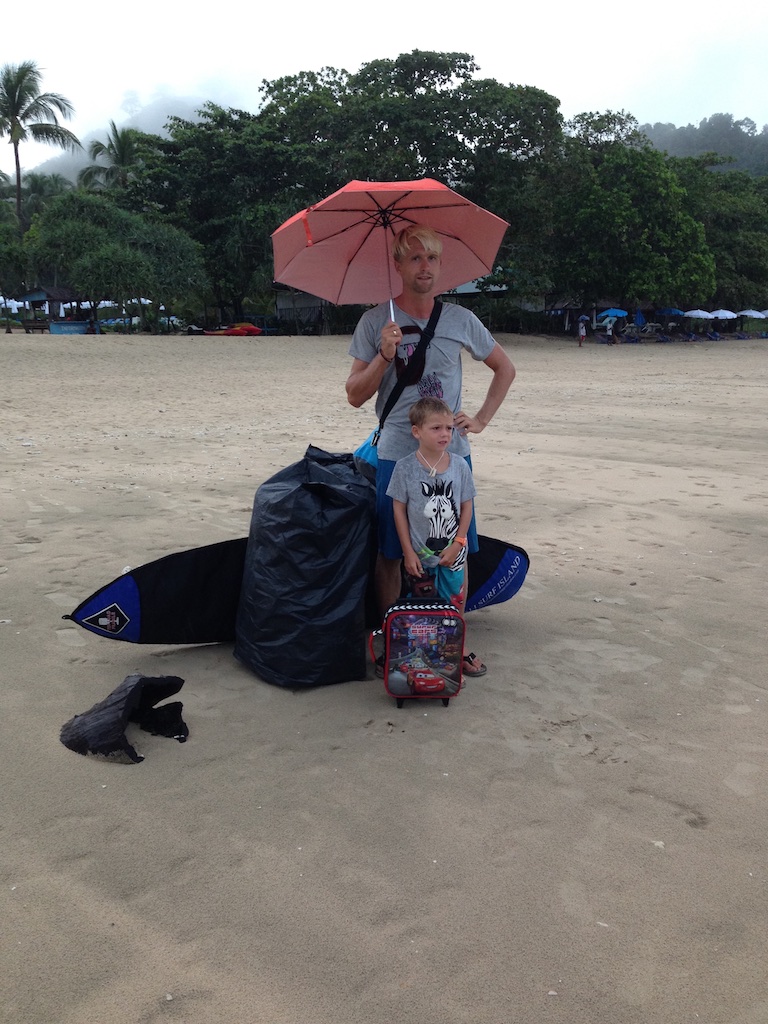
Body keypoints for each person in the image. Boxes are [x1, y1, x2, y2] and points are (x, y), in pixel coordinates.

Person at [346, 224, 516, 675]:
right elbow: (354, 395)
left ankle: (452, 641)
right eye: (416, 258)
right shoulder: (373, 323)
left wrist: (479, 420)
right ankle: (389, 638)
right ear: (397, 264)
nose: (426, 267)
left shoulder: (460, 320)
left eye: (433, 259)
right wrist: (383, 356)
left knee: (453, 550)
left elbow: (505, 369)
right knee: (389, 551)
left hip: (451, 456)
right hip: (395, 456)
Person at [388, 397, 476, 612]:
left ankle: (454, 644)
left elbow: (467, 506)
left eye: (449, 428)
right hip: (418, 557)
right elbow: (398, 510)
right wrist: (408, 552)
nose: (445, 434)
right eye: (436, 428)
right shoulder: (404, 467)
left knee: (454, 604)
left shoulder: (460, 466)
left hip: (453, 554)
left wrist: (458, 543)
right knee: (419, 607)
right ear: (417, 432)